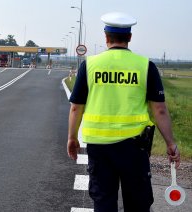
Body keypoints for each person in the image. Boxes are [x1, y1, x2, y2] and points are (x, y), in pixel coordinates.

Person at [67, 12, 181, 212]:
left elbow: (76, 106)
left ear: (106, 37)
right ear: (129, 37)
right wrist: (170, 143)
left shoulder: (90, 66)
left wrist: (72, 137)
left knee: (103, 201)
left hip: (99, 146)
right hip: (134, 148)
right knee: (138, 202)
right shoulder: (145, 66)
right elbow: (160, 110)